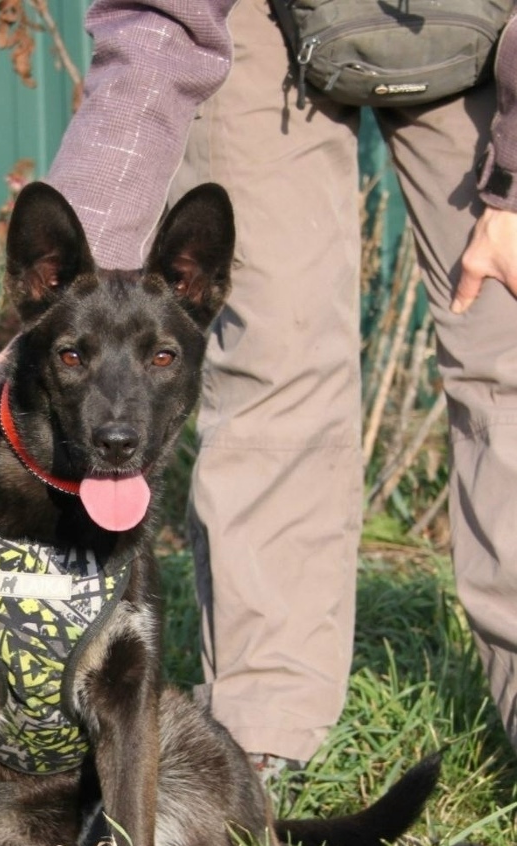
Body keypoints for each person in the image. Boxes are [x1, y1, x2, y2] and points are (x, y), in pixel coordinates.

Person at [46, 0, 517, 780]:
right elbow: (157, 30)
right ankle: (263, 732)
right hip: (261, 21)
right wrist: (69, 293)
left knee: (507, 354)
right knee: (274, 353)